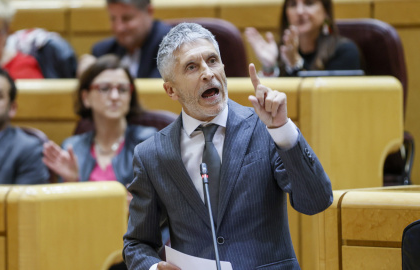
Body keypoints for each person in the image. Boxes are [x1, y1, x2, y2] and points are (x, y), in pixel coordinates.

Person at [123, 23, 333, 269]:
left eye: (212, 60)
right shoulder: (152, 155)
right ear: (171, 90)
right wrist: (153, 268)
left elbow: (316, 201)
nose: (207, 73)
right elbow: (137, 243)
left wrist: (283, 130)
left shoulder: (265, 128)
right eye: (192, 67)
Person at [42, 54, 156, 186]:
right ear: (86, 98)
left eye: (122, 89)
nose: (114, 96)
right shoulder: (73, 147)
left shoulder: (148, 143)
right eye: (104, 88)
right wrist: (72, 182)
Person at [244, 0, 361, 77]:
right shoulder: (280, 51)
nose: (299, 11)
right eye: (293, 5)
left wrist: (296, 63)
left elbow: (325, 100)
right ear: (286, 14)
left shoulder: (345, 51)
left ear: (326, 12)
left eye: (309, 3)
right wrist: (269, 67)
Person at [78, 0, 171, 78]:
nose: (119, 28)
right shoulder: (102, 52)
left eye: (127, 19)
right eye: (113, 19)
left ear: (149, 12)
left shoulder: (172, 47)